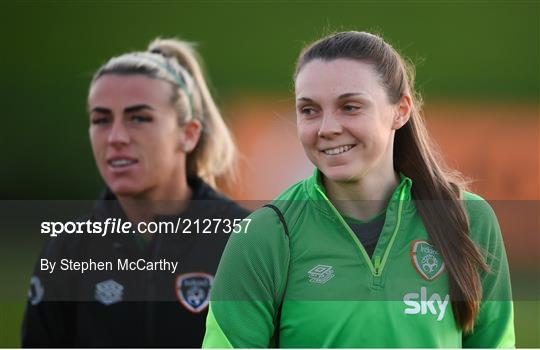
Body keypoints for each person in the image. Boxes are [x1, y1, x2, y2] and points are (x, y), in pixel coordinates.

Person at [203, 31, 514, 348]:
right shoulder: (266, 235)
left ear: (401, 110)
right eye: (309, 110)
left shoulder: (469, 220)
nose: (327, 129)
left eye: (350, 107)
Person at [22, 38, 249, 347]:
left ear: (188, 134)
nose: (115, 137)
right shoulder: (67, 250)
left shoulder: (246, 242)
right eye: (101, 120)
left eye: (139, 118)